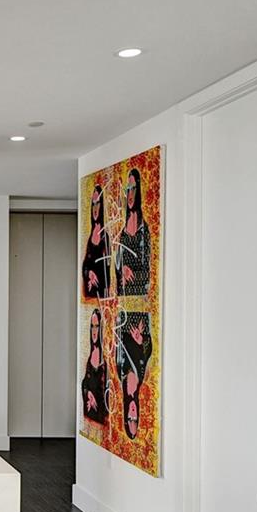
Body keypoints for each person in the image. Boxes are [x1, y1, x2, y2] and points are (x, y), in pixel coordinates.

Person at [114, 311, 153, 440]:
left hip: (124, 316)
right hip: (141, 317)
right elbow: (148, 353)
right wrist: (141, 340)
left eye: (129, 418)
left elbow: (117, 340)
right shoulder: (142, 377)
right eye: (135, 419)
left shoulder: (119, 372)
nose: (132, 414)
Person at [116, 168, 151, 297]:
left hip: (141, 300)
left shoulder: (144, 231)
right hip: (123, 300)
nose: (130, 194)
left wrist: (132, 274)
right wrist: (122, 270)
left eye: (133, 189)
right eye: (128, 189)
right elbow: (117, 265)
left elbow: (150, 270)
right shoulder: (123, 233)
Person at [81, 183, 112, 299]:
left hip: (101, 294)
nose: (95, 208)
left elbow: (107, 269)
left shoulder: (105, 238)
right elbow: (85, 264)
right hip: (90, 293)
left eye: (98, 203)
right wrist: (89, 273)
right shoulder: (89, 238)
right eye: (93, 204)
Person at [81, 308, 110, 425]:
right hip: (89, 415)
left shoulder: (105, 358)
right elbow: (85, 382)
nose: (94, 331)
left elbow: (106, 390)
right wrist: (88, 393)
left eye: (97, 326)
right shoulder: (90, 354)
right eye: (92, 326)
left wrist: (95, 397)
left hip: (100, 417)